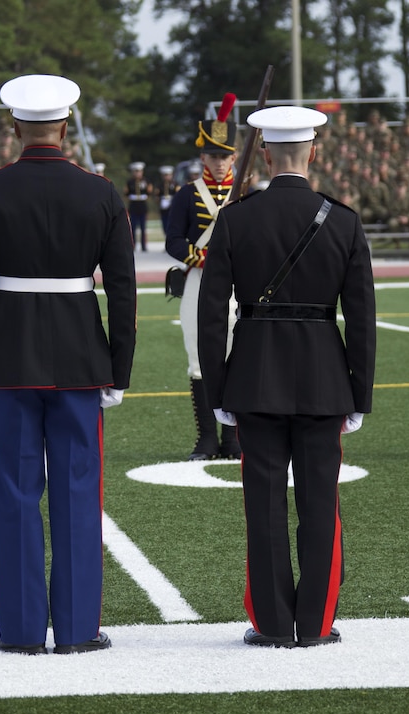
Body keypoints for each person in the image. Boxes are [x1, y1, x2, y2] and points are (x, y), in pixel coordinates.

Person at [0, 74, 136, 656]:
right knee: (79, 492)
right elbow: (123, 292)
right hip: (82, 358)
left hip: (7, 358)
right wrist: (119, 369)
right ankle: (78, 629)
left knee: (11, 493)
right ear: (67, 122)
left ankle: (23, 631)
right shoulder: (101, 192)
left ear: (14, 126)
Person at [198, 105, 376, 648]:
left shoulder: (236, 217)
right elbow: (362, 317)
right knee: (321, 504)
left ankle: (274, 624)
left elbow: (211, 314)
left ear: (267, 154)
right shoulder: (342, 219)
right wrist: (359, 393)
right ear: (313, 153)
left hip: (254, 378)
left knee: (263, 503)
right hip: (325, 379)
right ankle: (316, 624)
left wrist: (218, 387)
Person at [165, 94, 242, 461]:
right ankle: (207, 439)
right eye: (213, 155)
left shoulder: (245, 195)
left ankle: (232, 438)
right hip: (198, 280)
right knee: (198, 357)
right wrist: (201, 259)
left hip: (237, 284)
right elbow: (173, 241)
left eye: (225, 155)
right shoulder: (186, 195)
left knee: (236, 355)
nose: (219, 161)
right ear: (203, 158)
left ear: (234, 158)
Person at [124, 161, 151, 251]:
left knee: (143, 228)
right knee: (133, 228)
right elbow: (126, 193)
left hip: (142, 206)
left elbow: (149, 192)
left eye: (139, 171)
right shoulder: (130, 182)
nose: (137, 173)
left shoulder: (146, 181)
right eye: (136, 171)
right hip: (133, 207)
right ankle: (133, 245)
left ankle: (144, 246)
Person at [156, 165, 180, 232]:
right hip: (164, 209)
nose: (166, 177)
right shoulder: (160, 185)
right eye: (165, 175)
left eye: (168, 175)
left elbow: (178, 195)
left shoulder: (175, 184)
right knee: (165, 226)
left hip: (173, 208)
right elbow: (157, 196)